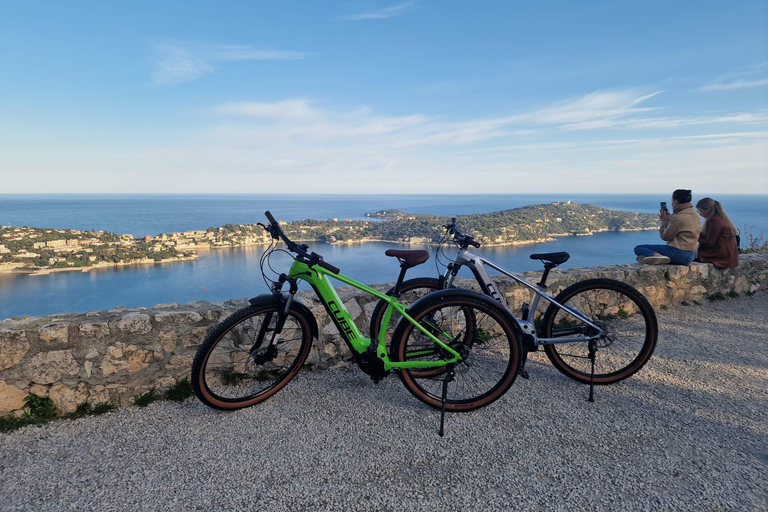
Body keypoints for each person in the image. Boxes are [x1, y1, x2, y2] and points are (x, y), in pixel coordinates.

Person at [634, 189, 701, 265]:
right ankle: (654, 257)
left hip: (679, 254)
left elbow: (665, 237)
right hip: (691, 255)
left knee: (639, 248)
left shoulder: (678, 217)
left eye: (672, 200)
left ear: (675, 201)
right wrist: (670, 218)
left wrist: (664, 221)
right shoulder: (696, 214)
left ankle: (658, 256)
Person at [694, 197, 739, 268]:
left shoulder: (715, 221)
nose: (700, 214)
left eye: (700, 211)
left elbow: (709, 242)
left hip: (721, 255)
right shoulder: (719, 218)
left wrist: (695, 235)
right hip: (726, 254)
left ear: (708, 210)